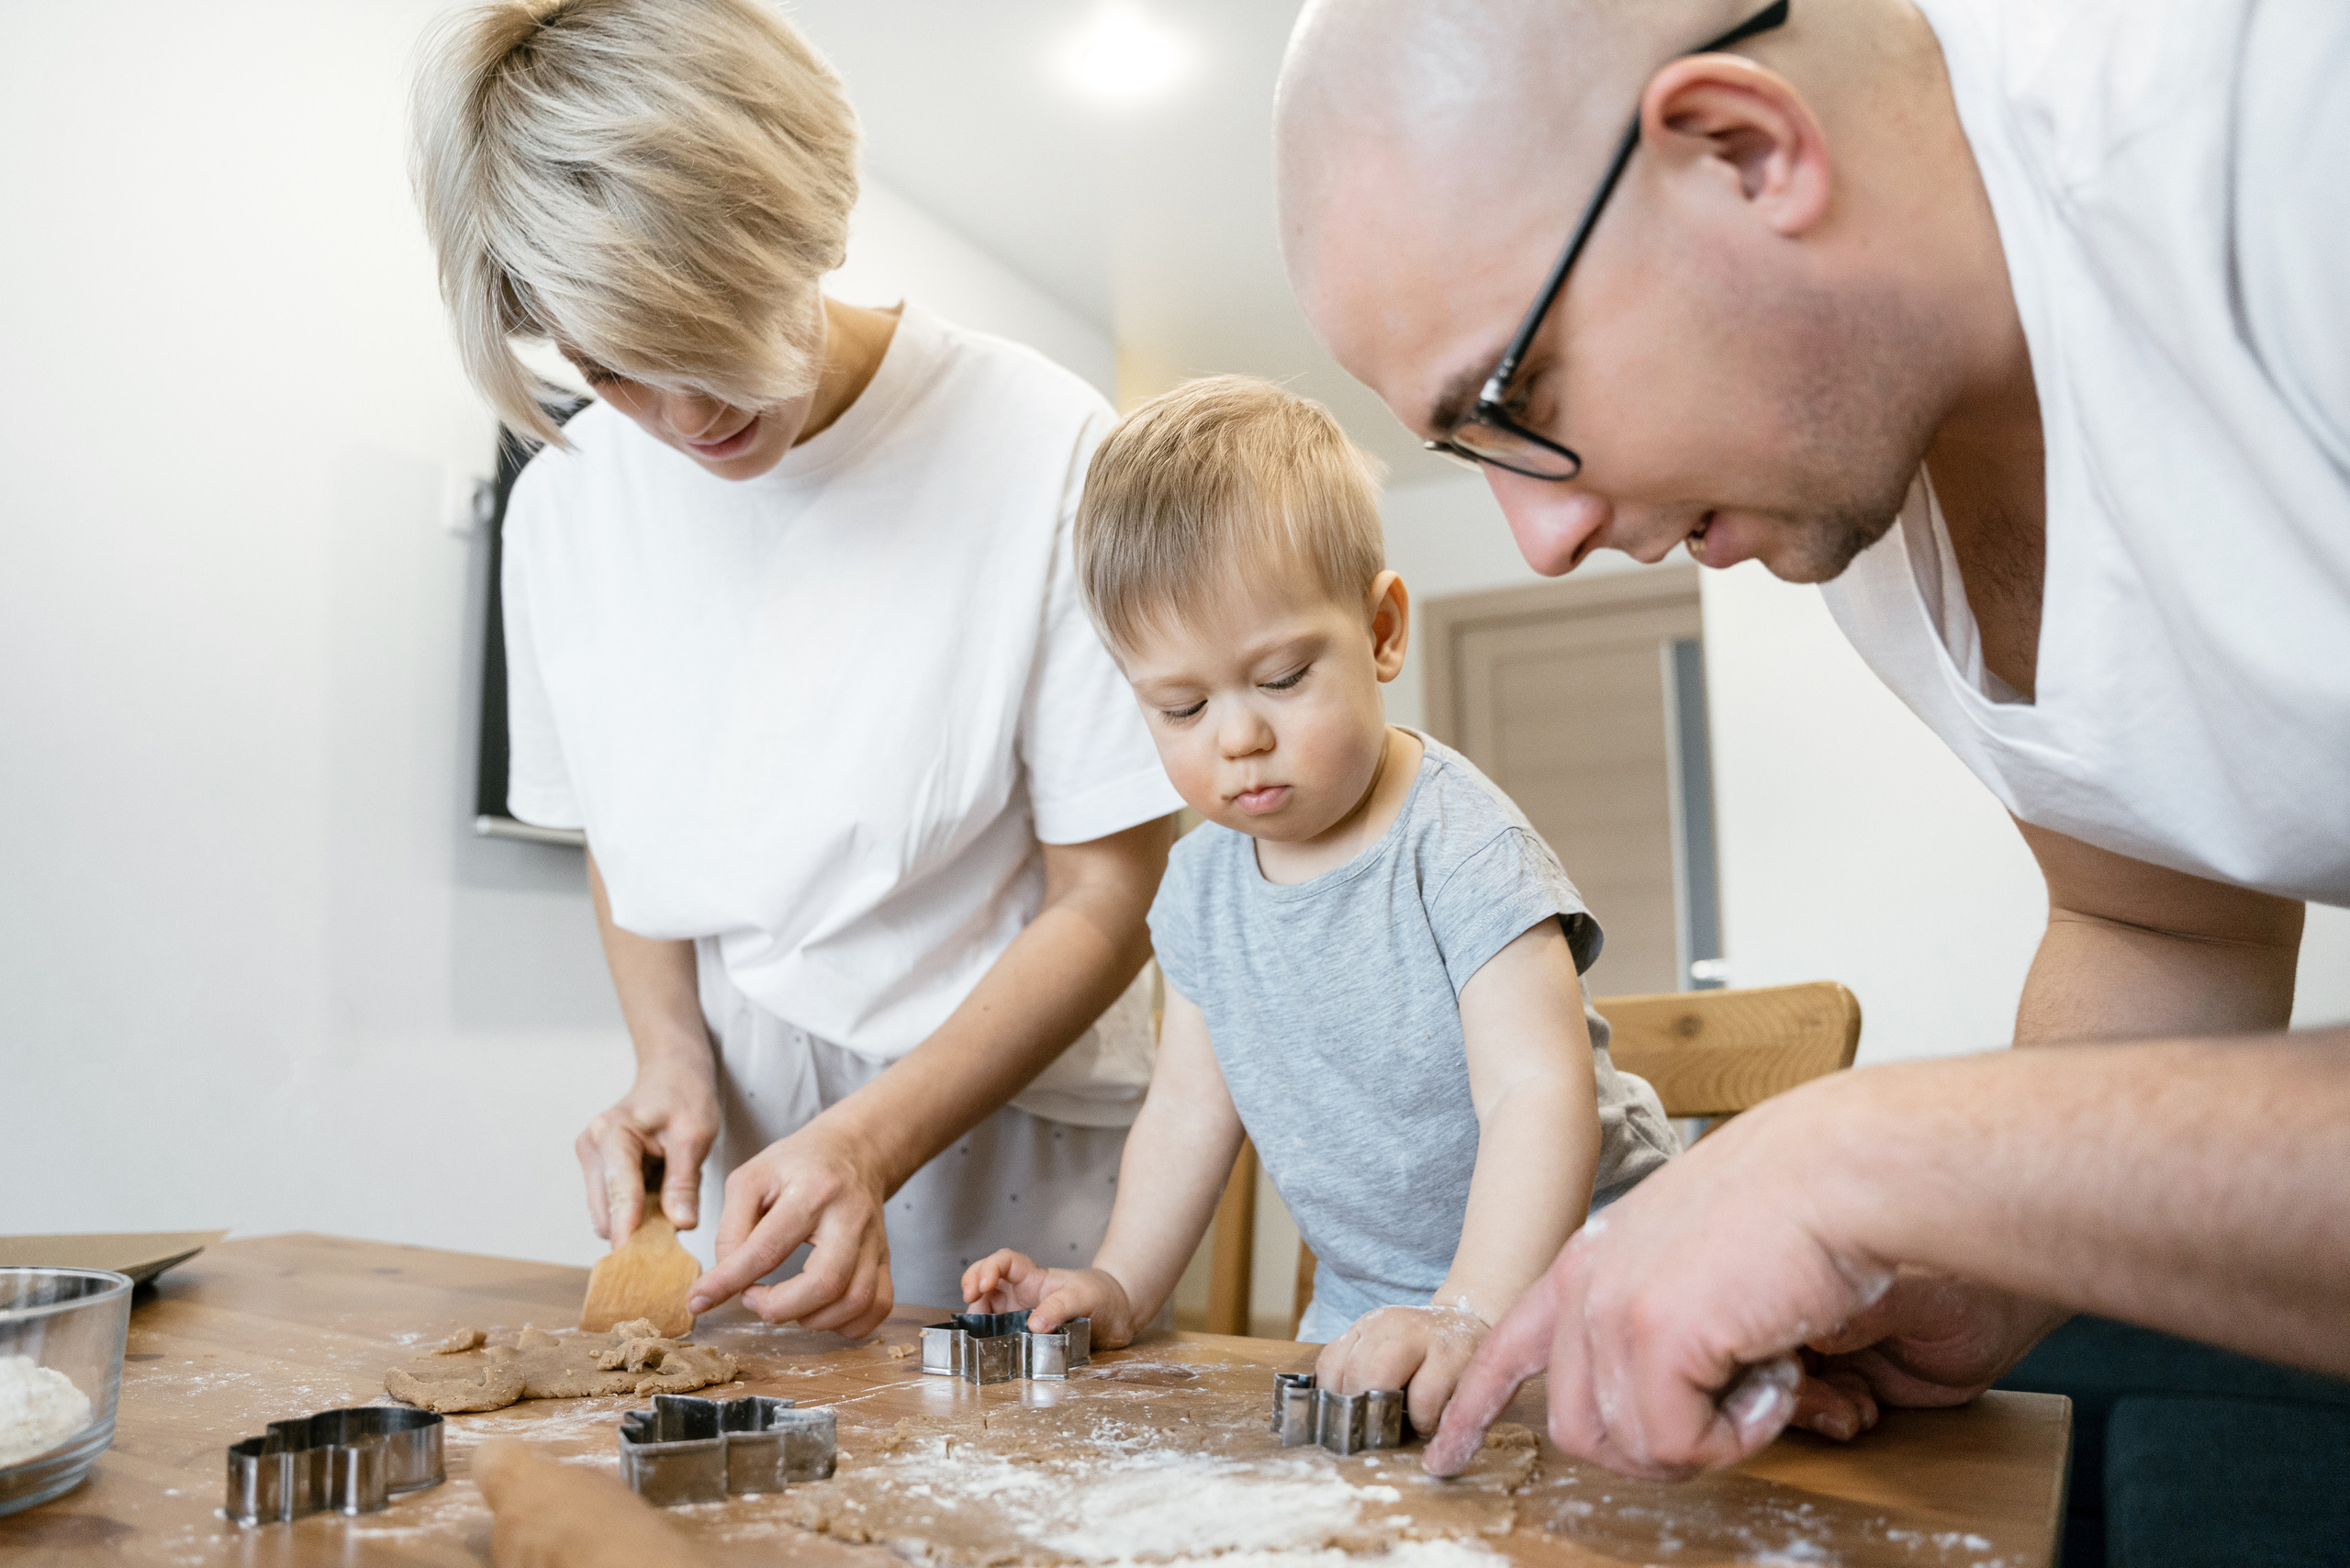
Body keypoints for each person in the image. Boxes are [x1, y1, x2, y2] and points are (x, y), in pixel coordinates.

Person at [1273, 0, 2350, 1560]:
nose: (1541, 538)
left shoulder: (2278, 136)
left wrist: (1880, 1153)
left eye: (1517, 407)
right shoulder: (1848, 488)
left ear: (1743, 149)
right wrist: (1989, 1263)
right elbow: (2170, 934)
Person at [409, 0, 1181, 1335]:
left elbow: (1108, 888)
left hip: (1003, 1129)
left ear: (810, 224)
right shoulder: (566, 511)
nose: (688, 416)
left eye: (713, 340)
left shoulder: (1042, 442)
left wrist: (873, 1145)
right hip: (754, 1152)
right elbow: (624, 838)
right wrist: (670, 1056)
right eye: (616, 370)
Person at [960, 377, 1675, 1430]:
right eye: (1183, 705)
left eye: (1283, 678)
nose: (1236, 736)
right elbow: (1189, 1112)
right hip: (1369, 1313)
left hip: (1594, 1279)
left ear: (1381, 631)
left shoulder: (1458, 840)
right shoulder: (1200, 886)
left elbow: (1538, 1094)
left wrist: (1471, 1312)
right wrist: (1118, 1283)